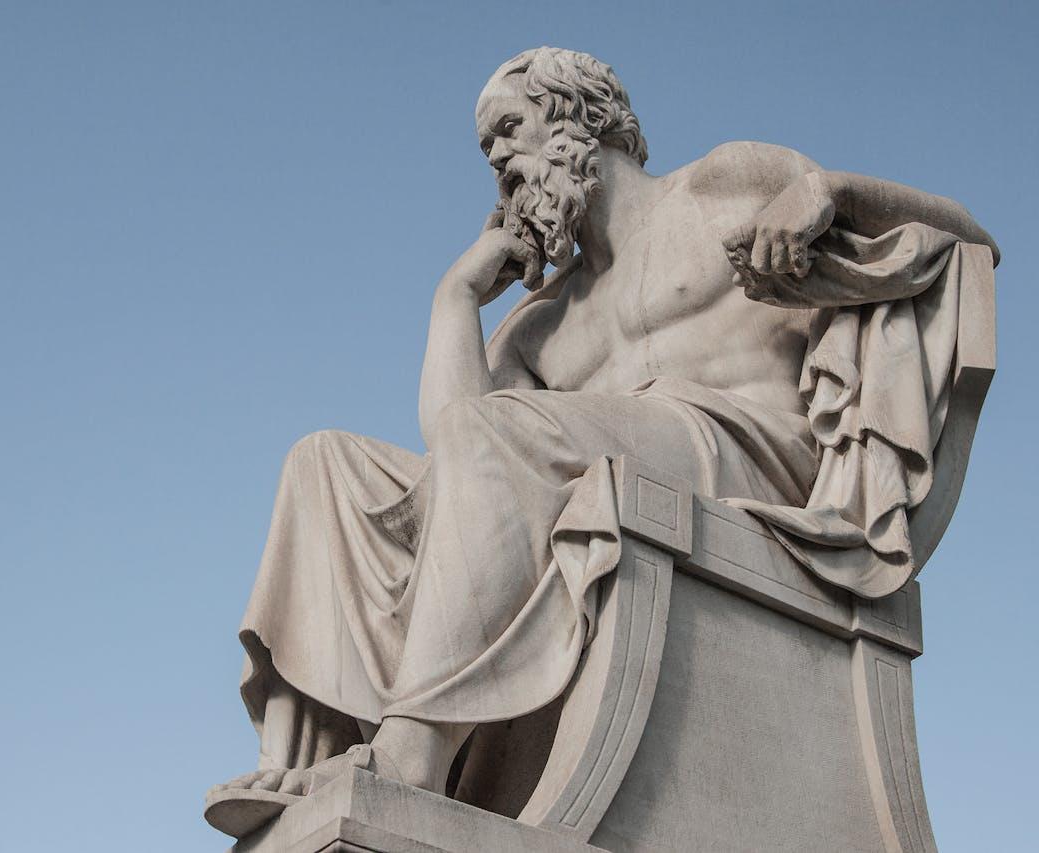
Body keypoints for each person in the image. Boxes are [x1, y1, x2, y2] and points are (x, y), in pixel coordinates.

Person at [204, 47, 997, 838]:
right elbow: (452, 446)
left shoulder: (720, 183)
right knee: (323, 462)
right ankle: (297, 763)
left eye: (508, 130)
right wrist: (458, 296)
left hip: (743, 449)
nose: (499, 163)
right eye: (487, 152)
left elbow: (965, 237)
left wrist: (829, 194)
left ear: (579, 116)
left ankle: (414, 751)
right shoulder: (543, 322)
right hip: (612, 461)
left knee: (502, 428)